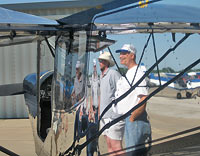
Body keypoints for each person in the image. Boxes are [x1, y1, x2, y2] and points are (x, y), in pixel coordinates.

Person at [114, 44, 151, 155]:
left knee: (133, 153)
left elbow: (143, 98)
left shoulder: (137, 73)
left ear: (132, 56)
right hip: (130, 119)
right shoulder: (130, 72)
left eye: (124, 53)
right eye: (120, 53)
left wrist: (132, 118)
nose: (120, 56)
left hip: (135, 120)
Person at [98, 52, 125, 156]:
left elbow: (123, 90)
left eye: (101, 61)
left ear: (107, 62)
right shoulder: (102, 76)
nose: (99, 62)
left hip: (113, 116)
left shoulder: (113, 74)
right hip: (104, 116)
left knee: (116, 147)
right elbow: (102, 96)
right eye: (99, 60)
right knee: (109, 145)